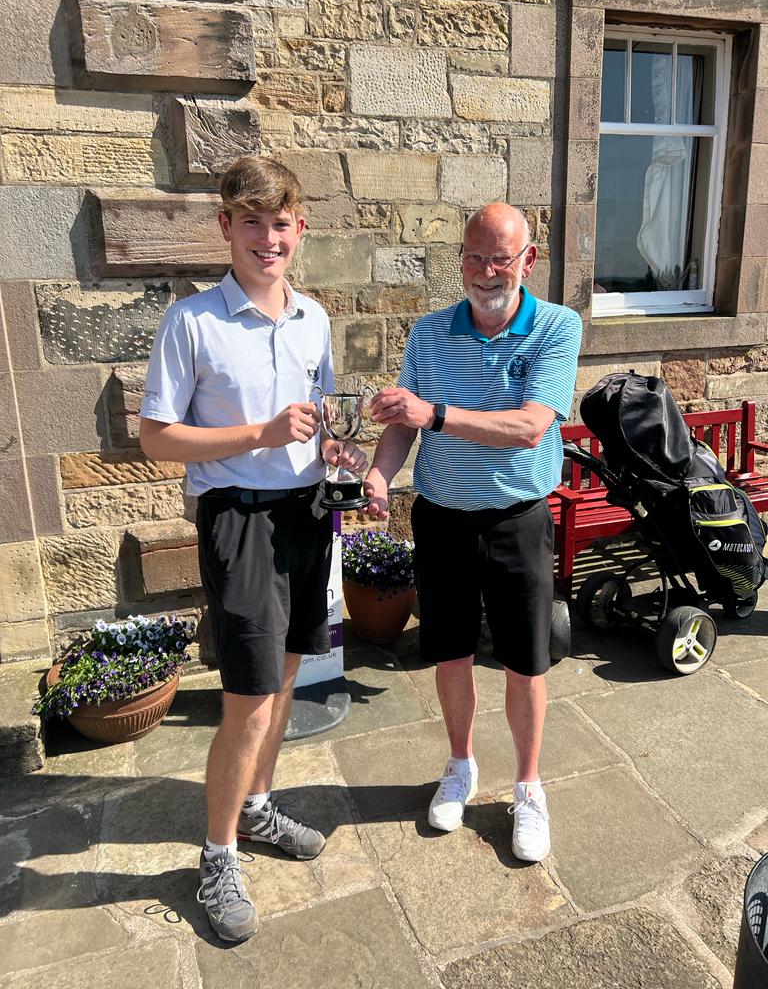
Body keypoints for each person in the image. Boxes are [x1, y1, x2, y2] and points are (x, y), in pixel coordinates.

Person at [138, 156, 366, 943]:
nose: (268, 238)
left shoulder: (314, 320)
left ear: (299, 230)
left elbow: (323, 414)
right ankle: (217, 853)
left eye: (282, 223)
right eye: (252, 221)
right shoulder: (192, 322)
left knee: (292, 672)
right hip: (239, 519)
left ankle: (260, 807)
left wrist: (340, 459)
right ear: (226, 227)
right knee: (249, 695)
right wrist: (261, 436)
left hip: (307, 513)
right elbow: (156, 437)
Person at [363, 203, 581, 862]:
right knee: (451, 653)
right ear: (460, 258)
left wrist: (432, 413)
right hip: (442, 519)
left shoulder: (556, 326)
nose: (486, 272)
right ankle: (459, 766)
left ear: (528, 261)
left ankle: (528, 787)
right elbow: (404, 421)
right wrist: (379, 473)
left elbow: (529, 427)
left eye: (501, 258)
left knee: (525, 662)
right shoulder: (430, 334)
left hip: (517, 520)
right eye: (474, 257)